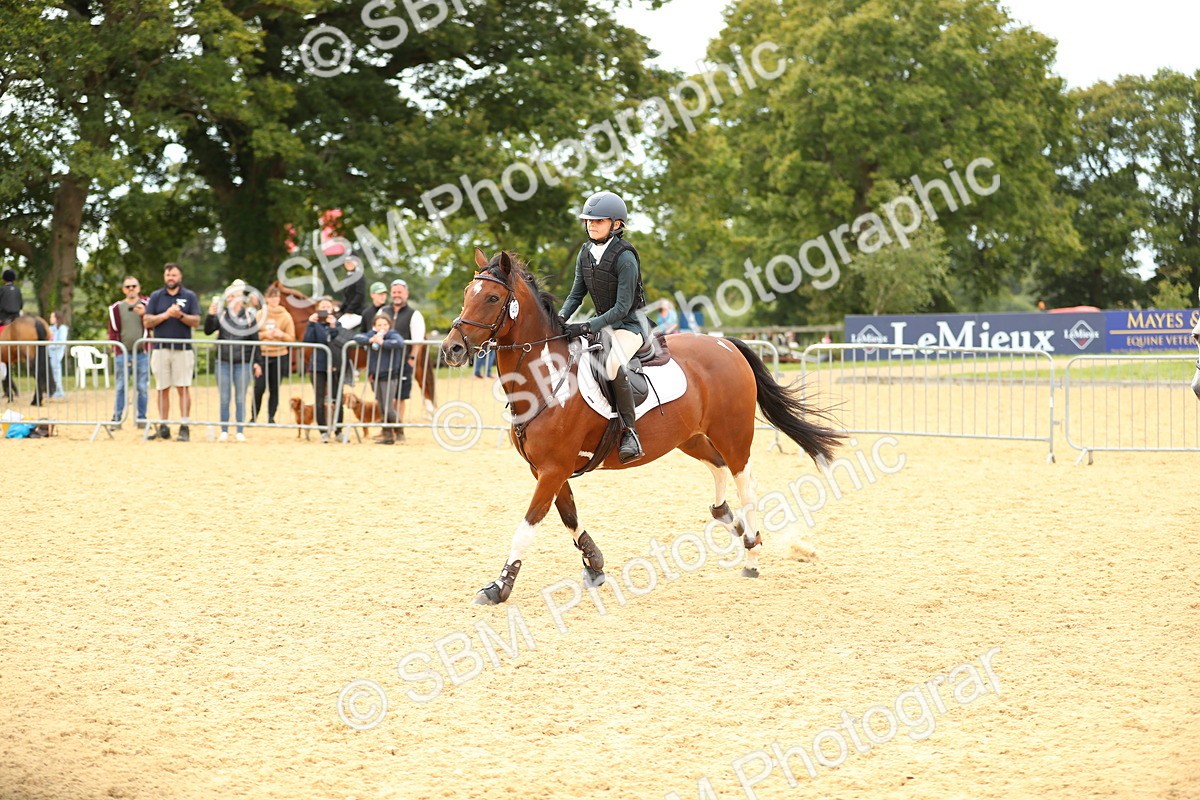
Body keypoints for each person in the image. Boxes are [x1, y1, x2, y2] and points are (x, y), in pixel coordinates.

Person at [559, 190, 648, 463]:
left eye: (599, 220)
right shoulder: (585, 253)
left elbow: (622, 308)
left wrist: (586, 326)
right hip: (604, 325)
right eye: (589, 220)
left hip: (631, 326)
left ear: (616, 224)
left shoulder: (625, 257)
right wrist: (559, 320)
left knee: (610, 365)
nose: (592, 224)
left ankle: (629, 432)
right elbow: (576, 295)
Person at [143, 263, 201, 441]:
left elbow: (196, 321)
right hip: (160, 349)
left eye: (174, 275)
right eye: (168, 275)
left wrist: (181, 316)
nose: (171, 278)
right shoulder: (156, 296)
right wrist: (166, 315)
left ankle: (184, 426)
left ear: (180, 277)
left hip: (182, 350)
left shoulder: (189, 296)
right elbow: (147, 321)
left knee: (183, 387)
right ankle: (164, 425)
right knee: (162, 388)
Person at [204, 284, 259, 442]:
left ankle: (240, 430)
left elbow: (255, 341)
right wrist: (210, 315)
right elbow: (208, 330)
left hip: (243, 362)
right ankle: (224, 430)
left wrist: (257, 362)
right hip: (223, 361)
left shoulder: (249, 316)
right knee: (224, 397)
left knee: (241, 397)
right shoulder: (221, 315)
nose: (230, 299)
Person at [379, 278, 424, 439]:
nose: (396, 295)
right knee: (384, 396)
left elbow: (417, 341)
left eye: (400, 292)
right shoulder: (383, 311)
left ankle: (398, 428)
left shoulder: (414, 314)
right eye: (394, 292)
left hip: (404, 361)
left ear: (406, 294)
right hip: (384, 361)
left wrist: (412, 358)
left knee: (399, 396)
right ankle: (386, 428)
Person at [353, 313, 407, 444]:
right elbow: (357, 337)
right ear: (374, 326)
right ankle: (387, 435)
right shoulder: (371, 335)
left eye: (385, 324)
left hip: (389, 376)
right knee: (381, 407)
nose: (382, 327)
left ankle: (399, 432)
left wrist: (383, 342)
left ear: (389, 325)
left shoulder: (392, 335)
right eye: (379, 325)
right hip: (375, 376)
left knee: (389, 408)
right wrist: (370, 340)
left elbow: (399, 342)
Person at [303, 296, 348, 442]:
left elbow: (340, 340)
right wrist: (311, 324)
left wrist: (333, 326)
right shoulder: (314, 324)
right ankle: (323, 430)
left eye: (327, 306)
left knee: (337, 398)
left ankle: (338, 430)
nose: (325, 309)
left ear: (332, 309)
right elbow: (308, 341)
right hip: (319, 365)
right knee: (319, 398)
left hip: (335, 365)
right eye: (322, 307)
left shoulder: (338, 323)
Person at [108, 276, 150, 428]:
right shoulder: (116, 308)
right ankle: (117, 418)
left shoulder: (147, 305)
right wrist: (118, 351)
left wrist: (144, 314)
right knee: (120, 387)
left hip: (142, 353)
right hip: (123, 354)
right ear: (123, 290)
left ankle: (142, 419)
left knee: (142, 387)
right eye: (128, 287)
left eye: (134, 286)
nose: (131, 289)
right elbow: (113, 332)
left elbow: (152, 324)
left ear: (139, 288)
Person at [252, 285, 296, 425]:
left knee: (275, 387)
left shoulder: (286, 316)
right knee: (259, 387)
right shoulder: (260, 315)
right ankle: (254, 415)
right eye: (271, 297)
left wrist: (281, 335)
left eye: (276, 297)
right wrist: (266, 334)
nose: (274, 300)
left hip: (279, 355)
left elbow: (291, 337)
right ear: (266, 299)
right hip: (263, 355)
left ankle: (271, 417)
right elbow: (253, 335)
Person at [339, 255, 366, 324]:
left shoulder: (359, 276)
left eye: (350, 262)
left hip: (356, 311)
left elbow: (360, 295)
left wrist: (349, 310)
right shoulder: (347, 277)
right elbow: (346, 297)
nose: (348, 264)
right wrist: (340, 309)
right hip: (347, 310)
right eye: (346, 262)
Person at [48, 310, 67, 399]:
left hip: (57, 353)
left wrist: (50, 346)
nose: (51, 318)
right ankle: (53, 390)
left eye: (52, 317)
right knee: (53, 371)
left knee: (56, 371)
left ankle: (59, 391)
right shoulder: (51, 328)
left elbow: (60, 342)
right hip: (51, 353)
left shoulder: (62, 328)